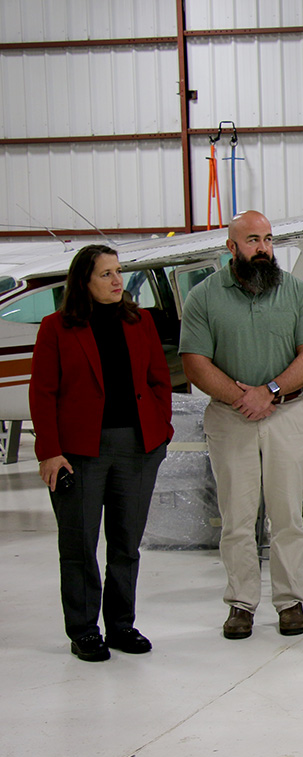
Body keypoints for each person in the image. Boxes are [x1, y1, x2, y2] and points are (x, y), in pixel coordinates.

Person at [180, 211, 303, 640]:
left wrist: (272, 392)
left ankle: (290, 601)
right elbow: (195, 363)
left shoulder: (297, 293)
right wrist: (242, 397)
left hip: (288, 414)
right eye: (252, 240)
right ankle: (241, 603)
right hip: (230, 418)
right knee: (237, 518)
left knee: (287, 515)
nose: (262, 248)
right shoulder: (204, 298)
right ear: (231, 248)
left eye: (267, 239)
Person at [30, 245, 173, 661]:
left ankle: (121, 625)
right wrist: (50, 452)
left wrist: (160, 433)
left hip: (138, 447)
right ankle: (83, 630)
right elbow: (43, 393)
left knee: (127, 544)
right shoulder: (56, 327)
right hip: (79, 451)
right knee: (79, 544)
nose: (116, 281)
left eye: (118, 272)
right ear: (83, 282)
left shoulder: (140, 320)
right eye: (106, 274)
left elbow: (159, 380)